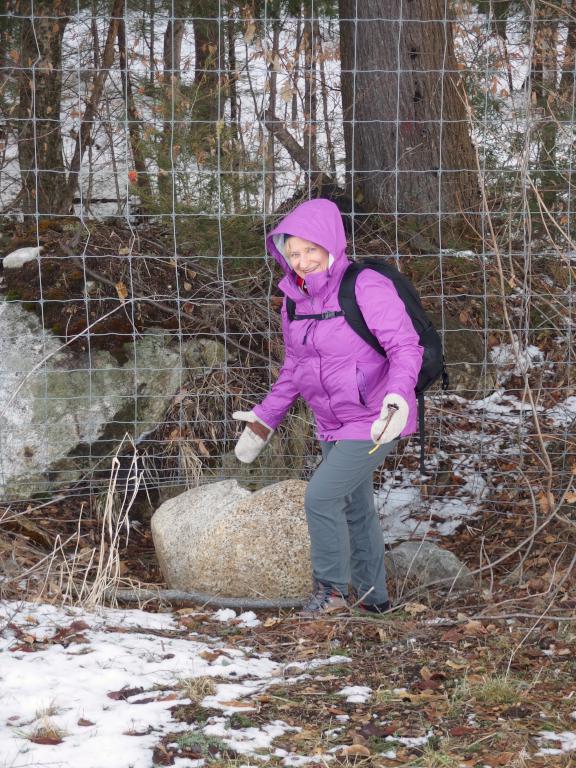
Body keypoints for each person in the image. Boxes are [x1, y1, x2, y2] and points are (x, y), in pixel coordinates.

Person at [232, 198, 423, 617]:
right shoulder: (294, 300)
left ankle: (331, 591)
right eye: (293, 254)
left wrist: (397, 397)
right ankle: (375, 600)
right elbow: (295, 366)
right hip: (330, 420)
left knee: (319, 497)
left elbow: (405, 346)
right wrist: (267, 417)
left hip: (377, 418)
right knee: (356, 507)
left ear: (331, 244)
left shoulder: (365, 285)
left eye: (310, 250)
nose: (301, 262)